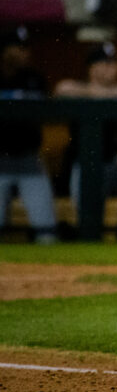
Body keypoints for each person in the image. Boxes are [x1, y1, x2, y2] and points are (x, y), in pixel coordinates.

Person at [54, 42, 117, 244]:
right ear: (92, 67)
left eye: (113, 63)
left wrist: (107, 94)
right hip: (84, 167)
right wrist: (95, 92)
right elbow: (61, 88)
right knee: (87, 219)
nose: (111, 68)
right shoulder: (78, 89)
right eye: (105, 63)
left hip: (113, 165)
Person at [0, 27, 58, 244]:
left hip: (29, 160)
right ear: (5, 51)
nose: (25, 53)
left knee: (47, 233)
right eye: (19, 48)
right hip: (0, 160)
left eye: (26, 48)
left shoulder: (34, 79)